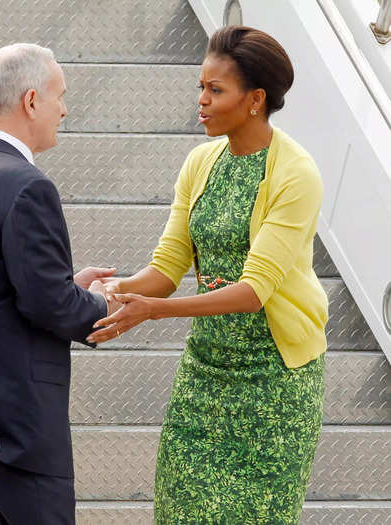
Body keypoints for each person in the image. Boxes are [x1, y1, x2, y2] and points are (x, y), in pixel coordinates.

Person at [88, 26, 328, 524]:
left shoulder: (295, 173)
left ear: (256, 99)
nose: (201, 100)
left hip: (274, 384)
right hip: (204, 376)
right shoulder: (201, 162)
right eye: (201, 86)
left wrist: (154, 312)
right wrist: (116, 289)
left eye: (215, 90)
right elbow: (167, 268)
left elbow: (253, 291)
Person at [0, 43, 117, 525]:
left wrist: (63, 284)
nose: (65, 109)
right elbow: (49, 303)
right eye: (59, 96)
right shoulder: (27, 184)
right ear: (31, 101)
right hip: (21, 430)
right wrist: (102, 305)